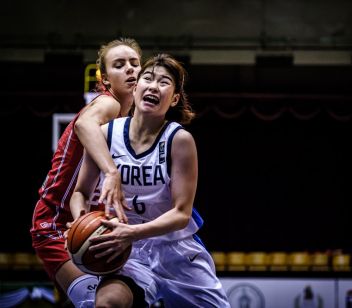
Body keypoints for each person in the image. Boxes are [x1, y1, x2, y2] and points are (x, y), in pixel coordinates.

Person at [70, 53, 231, 307]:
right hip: (126, 252)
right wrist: (81, 220)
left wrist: (132, 233)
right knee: (107, 304)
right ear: (136, 89)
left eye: (164, 82)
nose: (154, 86)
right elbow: (80, 192)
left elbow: (181, 214)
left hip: (175, 250)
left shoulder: (179, 140)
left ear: (174, 98)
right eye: (148, 78)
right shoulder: (106, 135)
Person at [30, 37, 142, 307]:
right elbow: (84, 126)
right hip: (54, 222)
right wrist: (111, 172)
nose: (130, 69)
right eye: (119, 65)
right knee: (95, 301)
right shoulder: (108, 104)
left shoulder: (130, 121)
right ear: (104, 77)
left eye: (135, 63)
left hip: (83, 220)